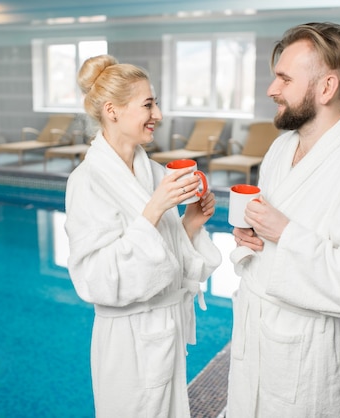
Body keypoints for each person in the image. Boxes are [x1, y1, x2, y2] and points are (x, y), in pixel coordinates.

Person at [227, 22, 340, 417]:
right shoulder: (279, 148)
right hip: (254, 337)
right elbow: (267, 236)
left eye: (285, 79)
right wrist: (250, 237)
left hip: (304, 355)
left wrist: (285, 234)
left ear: (326, 88)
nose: (271, 89)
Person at [64, 54, 222, 418]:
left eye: (157, 103)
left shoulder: (151, 171)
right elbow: (94, 280)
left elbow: (166, 258)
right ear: (112, 110)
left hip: (163, 334)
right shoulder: (86, 183)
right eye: (148, 104)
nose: (159, 115)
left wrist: (191, 224)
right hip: (126, 344)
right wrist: (153, 209)